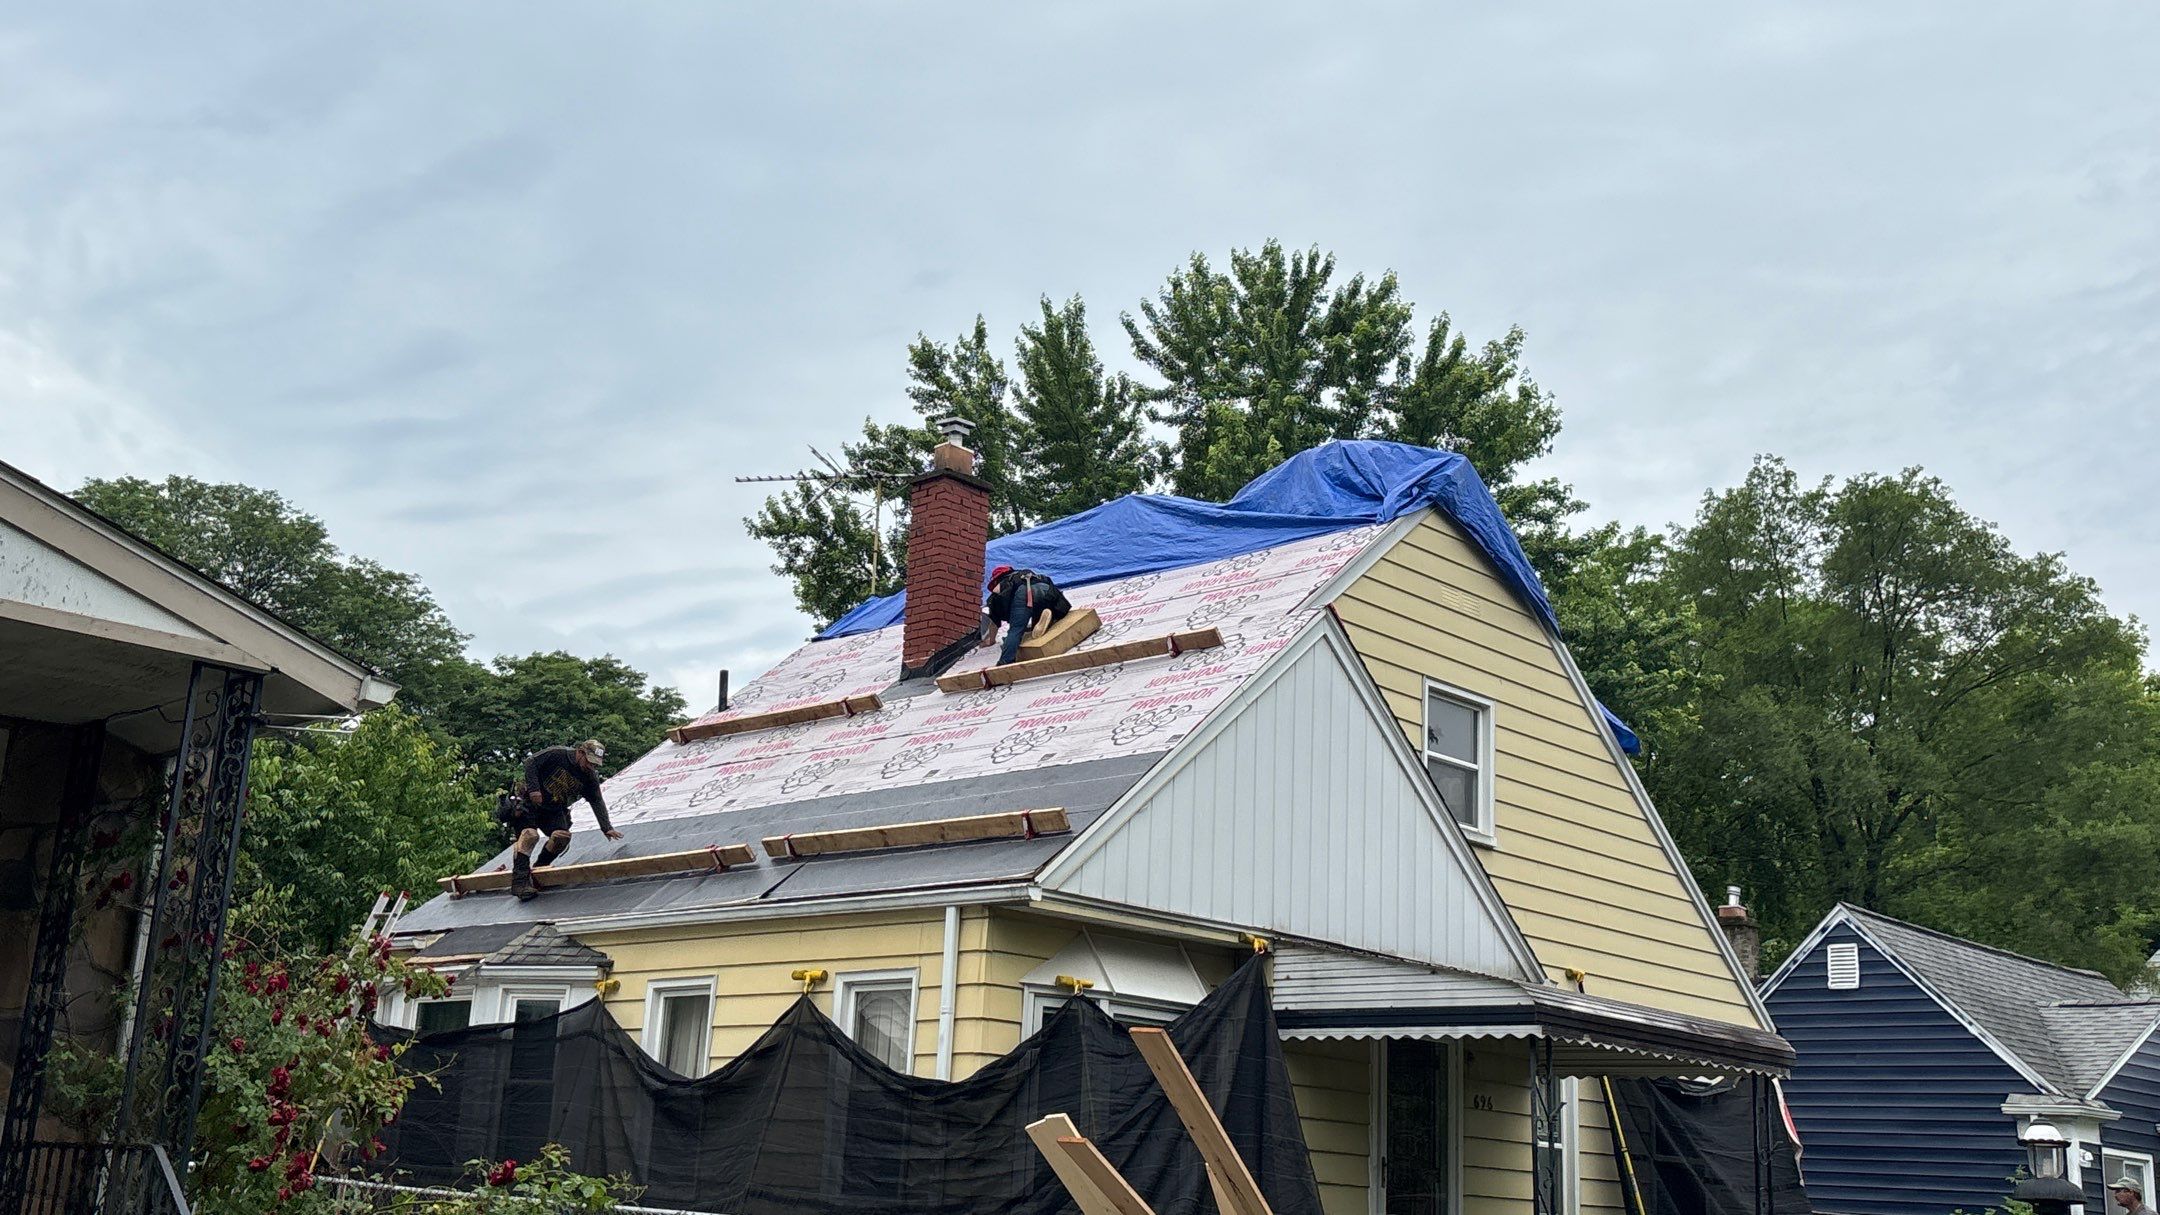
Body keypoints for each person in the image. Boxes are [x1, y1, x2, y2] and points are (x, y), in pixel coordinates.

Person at [508, 739, 621, 900]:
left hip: (554, 807)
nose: (591, 767)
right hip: (530, 803)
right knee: (530, 836)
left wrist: (606, 827)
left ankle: (541, 868)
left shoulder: (589, 777)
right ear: (580, 753)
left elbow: (596, 800)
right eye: (589, 762)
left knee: (562, 837)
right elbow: (530, 762)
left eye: (595, 765)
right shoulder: (557, 754)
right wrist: (534, 789)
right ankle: (520, 883)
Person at [981, 565, 1070, 666]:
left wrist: (989, 640)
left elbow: (993, 619)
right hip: (1045, 587)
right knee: (1043, 609)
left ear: (997, 579)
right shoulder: (1026, 574)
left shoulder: (1001, 584)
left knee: (1016, 629)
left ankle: (1006, 661)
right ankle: (1047, 617)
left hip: (1024, 593)